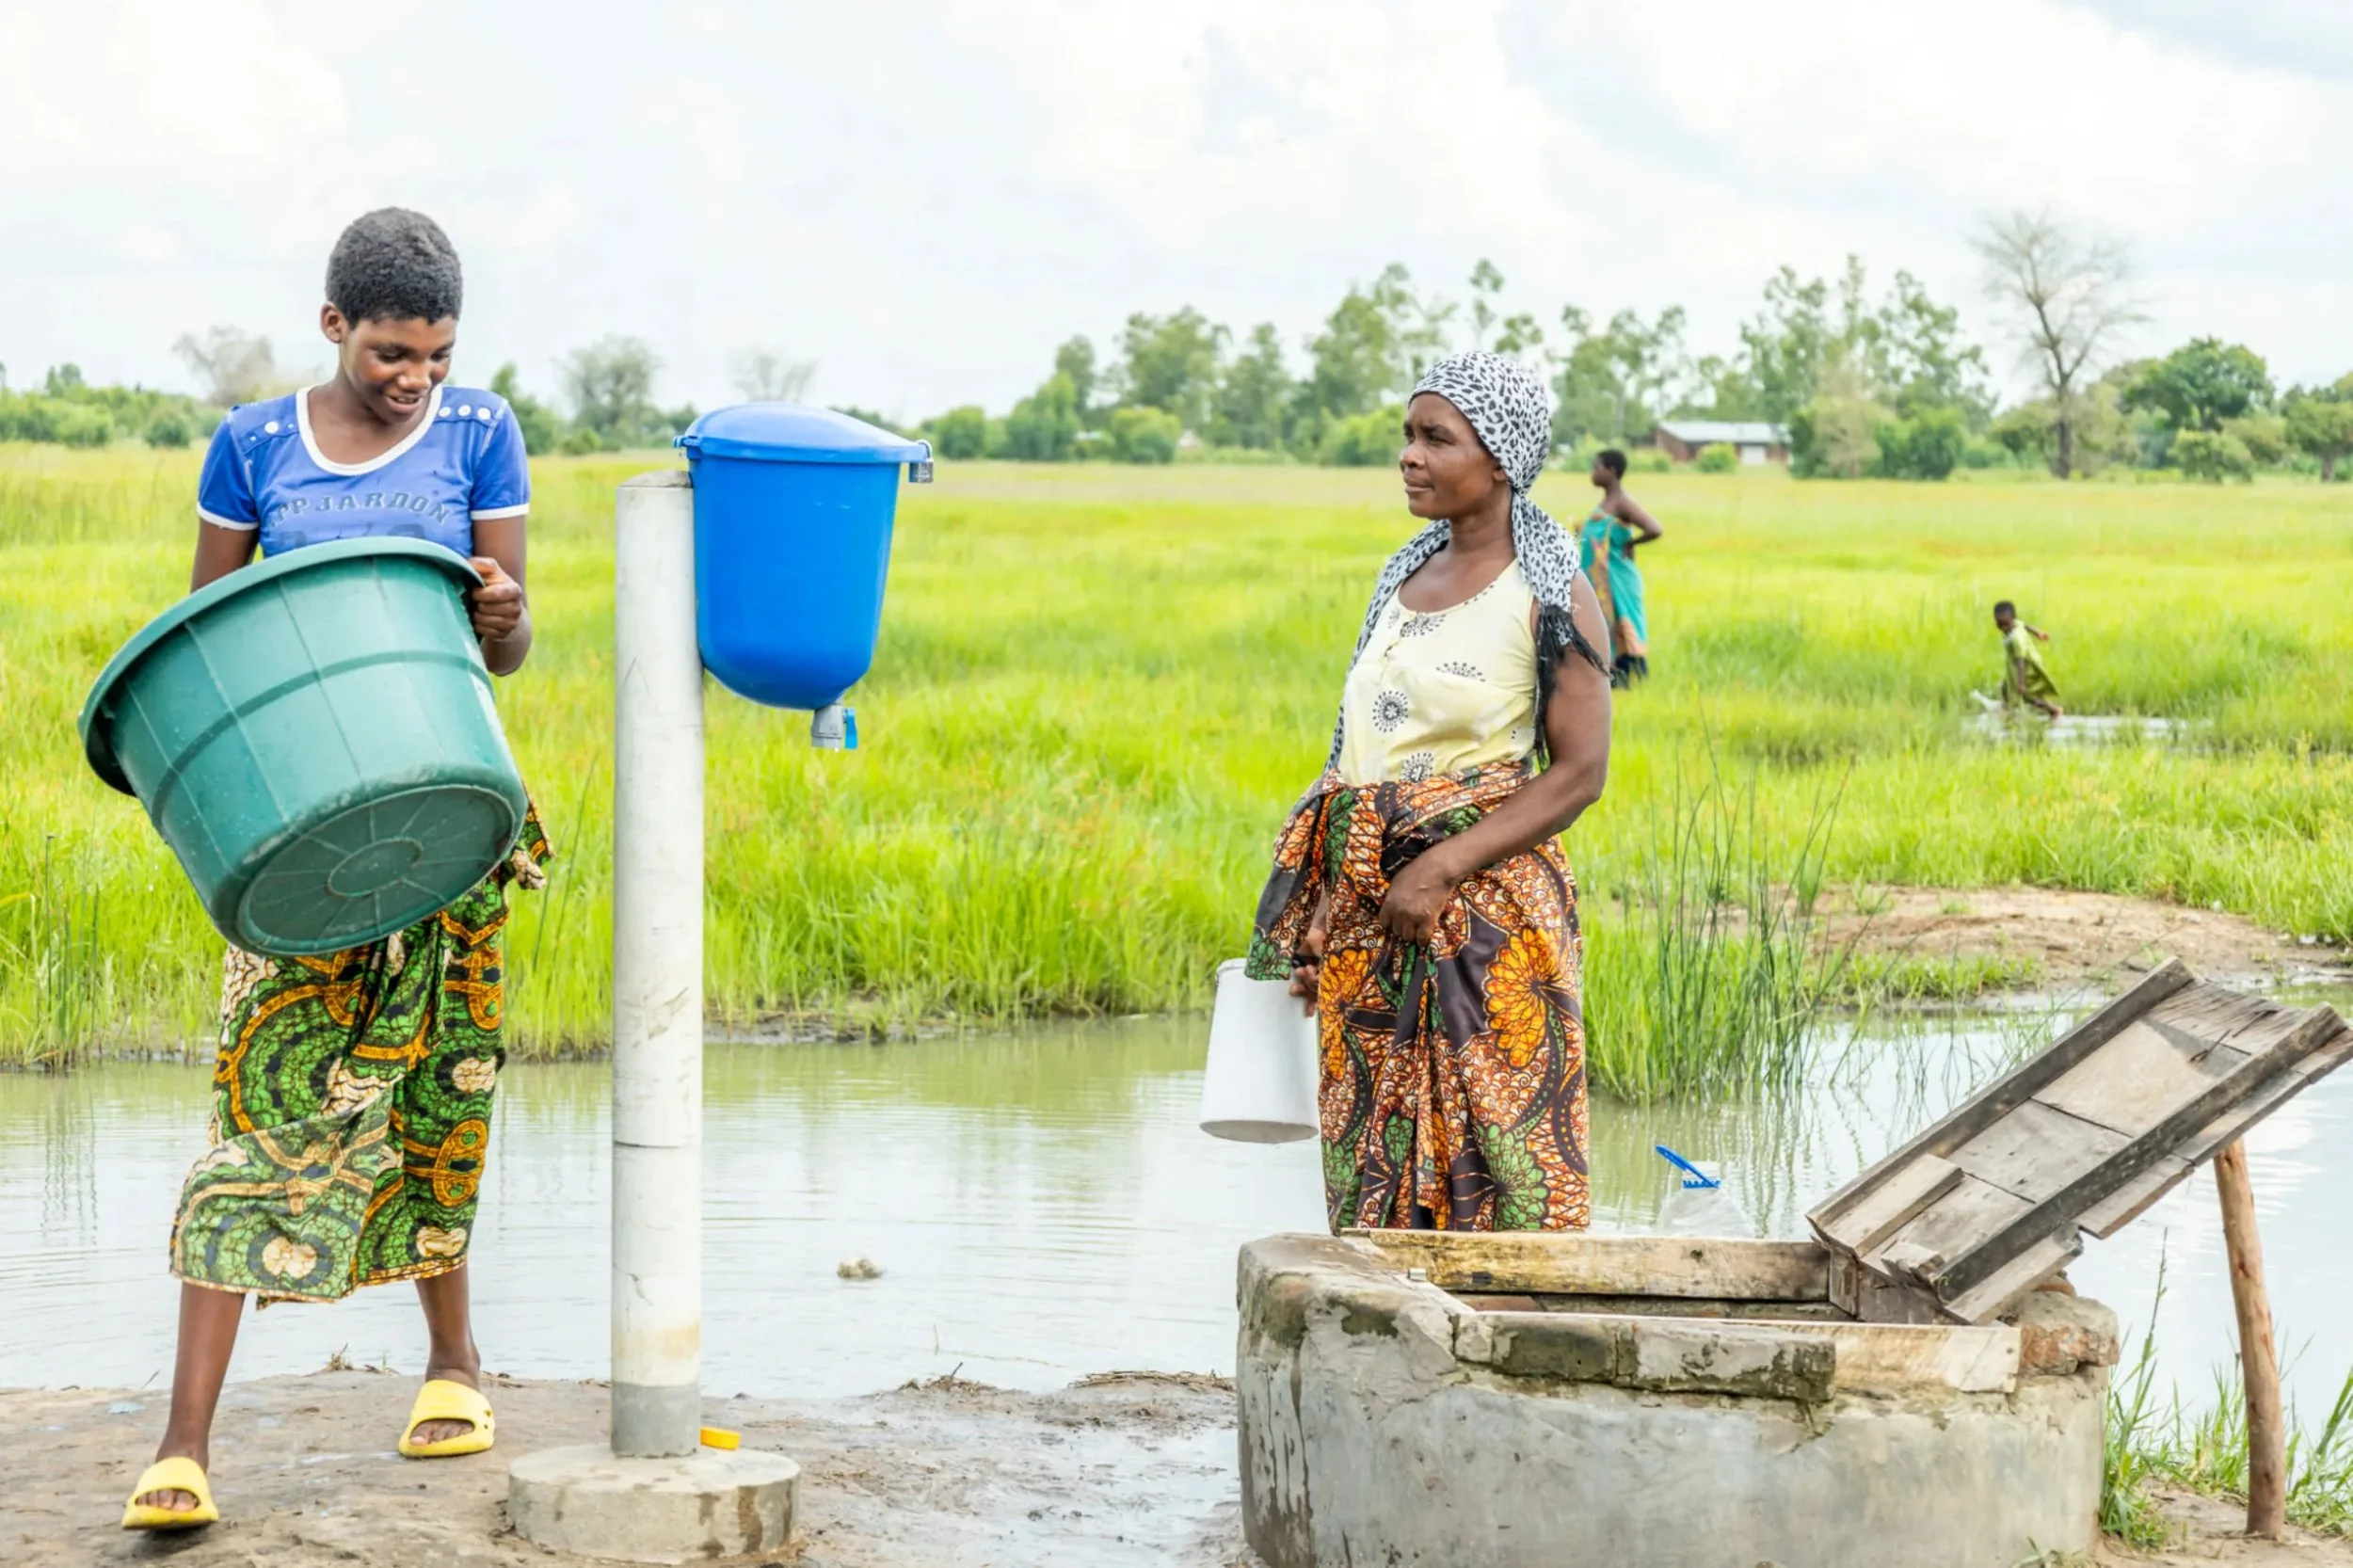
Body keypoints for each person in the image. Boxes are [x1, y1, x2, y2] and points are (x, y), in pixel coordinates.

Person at [124, 209, 552, 1532]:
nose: (414, 375)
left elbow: (504, 654)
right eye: (388, 352)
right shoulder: (256, 445)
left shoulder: (480, 434)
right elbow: (207, 645)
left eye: (435, 352)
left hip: (445, 821)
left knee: (439, 1092)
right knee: (258, 1107)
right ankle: (184, 1443)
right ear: (333, 327)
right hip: (299, 839)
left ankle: (454, 1366)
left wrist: (506, 613)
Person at [1245, 351, 1613, 1235]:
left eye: (1436, 439)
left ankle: (1510, 1343)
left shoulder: (1550, 594)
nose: (1410, 456)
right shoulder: (1400, 581)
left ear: (1501, 460)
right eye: (1409, 435)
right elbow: (1359, 754)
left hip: (1488, 914)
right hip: (1378, 908)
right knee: (1371, 1143)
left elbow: (1579, 772)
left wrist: (1442, 866)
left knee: (1498, 1148)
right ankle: (1389, 1348)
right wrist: (1328, 901)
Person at [1579, 448, 1661, 686]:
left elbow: (1654, 529)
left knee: (1625, 622)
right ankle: (1616, 676)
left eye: (1597, 467)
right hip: (1604, 579)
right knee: (1606, 623)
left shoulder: (1622, 502)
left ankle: (1630, 675)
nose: (1592, 473)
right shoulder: (1606, 502)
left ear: (1612, 471)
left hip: (1619, 578)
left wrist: (1629, 543)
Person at [1994, 600, 2062, 719]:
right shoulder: (2014, 624)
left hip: (2025, 668)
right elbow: (2024, 625)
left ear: (2011, 619)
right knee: (2005, 687)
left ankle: (2054, 710)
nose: (2003, 628)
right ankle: (2005, 708)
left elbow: (2020, 661)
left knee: (2028, 696)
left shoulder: (2016, 639)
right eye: (1999, 624)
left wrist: (2021, 684)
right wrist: (2038, 633)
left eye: (2005, 624)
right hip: (2015, 667)